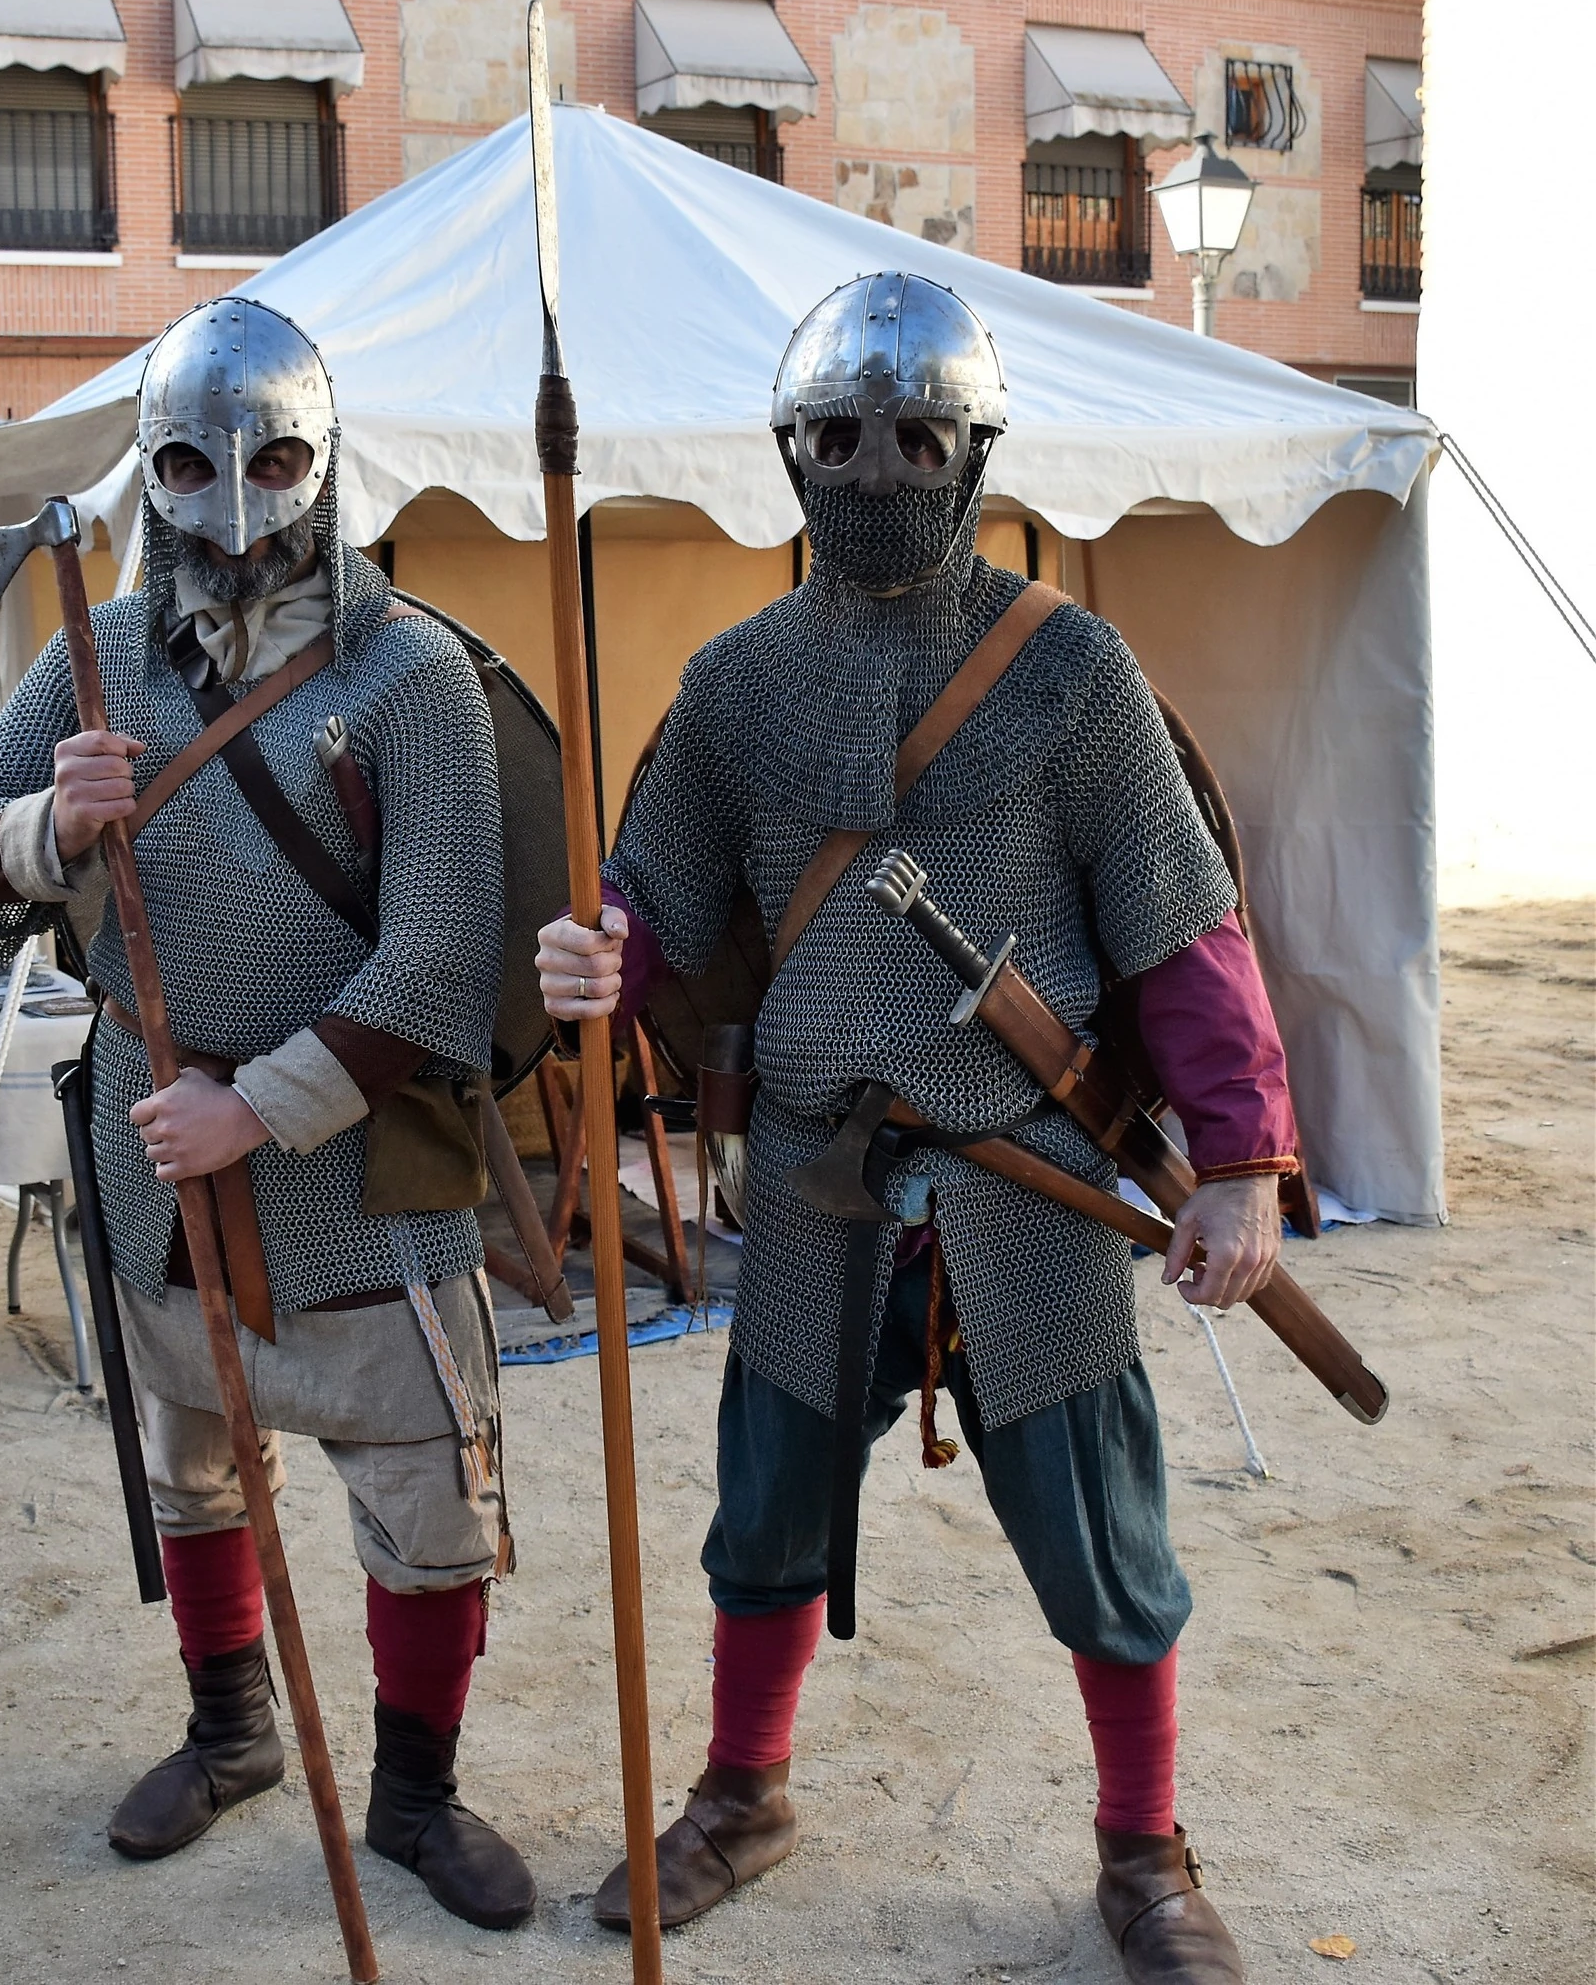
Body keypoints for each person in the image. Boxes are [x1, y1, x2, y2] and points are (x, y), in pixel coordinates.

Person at [537, 273, 1302, 1984]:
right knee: (765, 1506)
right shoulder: (734, 684)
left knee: (1101, 1526)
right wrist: (596, 947)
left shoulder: (1069, 672)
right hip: (818, 1173)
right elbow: (647, 890)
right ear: (791, 454)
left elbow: (1180, 929)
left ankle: (1143, 1845)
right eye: (839, 436)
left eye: (914, 434)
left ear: (971, 452)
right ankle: (743, 1791)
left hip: (1021, 1177)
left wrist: (1240, 1152)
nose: (876, 468)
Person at [0, 298, 535, 1931]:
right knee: (194, 1462)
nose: (238, 507)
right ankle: (231, 1726)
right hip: (151, 1157)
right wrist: (50, 823)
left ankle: (412, 1789)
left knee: (424, 1486)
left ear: (326, 465)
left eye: (274, 462)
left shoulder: (410, 674)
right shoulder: (98, 653)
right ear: (150, 471)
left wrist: (252, 1109)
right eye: (194, 466)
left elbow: (437, 957)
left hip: (352, 1163)